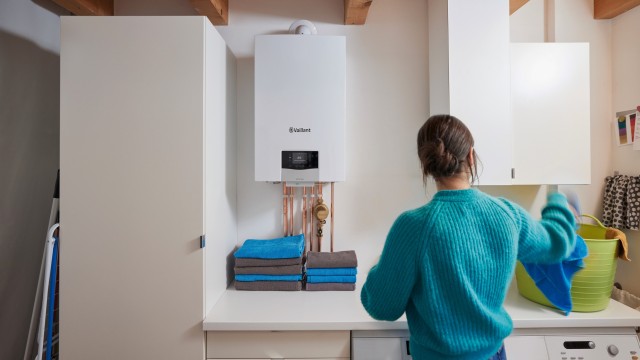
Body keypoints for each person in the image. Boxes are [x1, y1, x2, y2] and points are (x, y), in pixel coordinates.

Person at [360, 114, 577, 360]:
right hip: (494, 354)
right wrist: (559, 202)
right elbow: (557, 244)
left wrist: (379, 270)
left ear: (426, 165)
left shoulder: (412, 226)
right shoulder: (508, 215)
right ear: (471, 156)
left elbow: (381, 306)